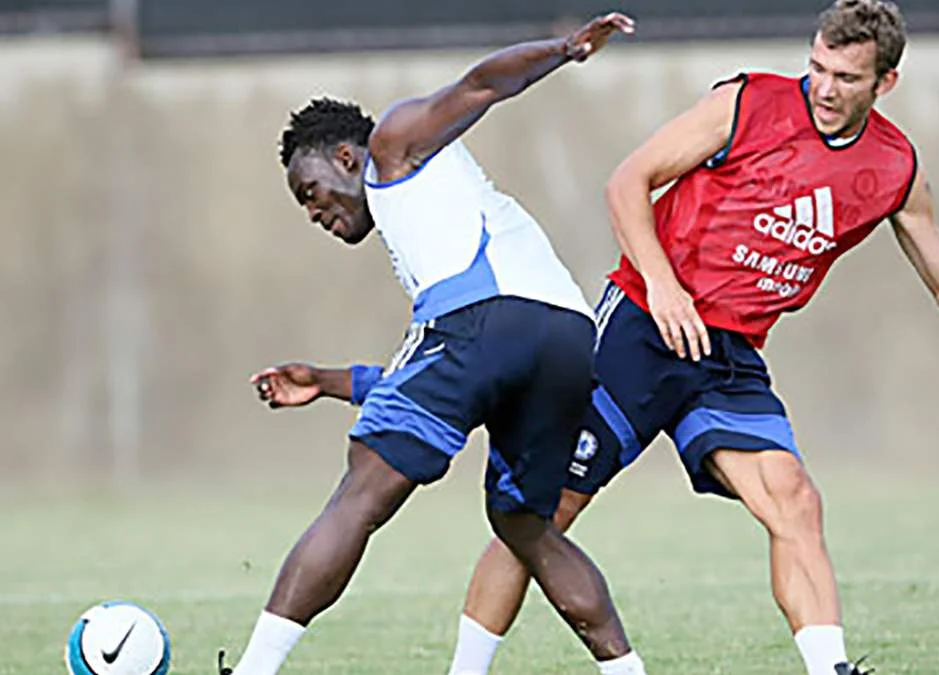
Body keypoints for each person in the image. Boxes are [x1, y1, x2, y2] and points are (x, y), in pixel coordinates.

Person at [440, 1, 939, 674]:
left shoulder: (894, 168)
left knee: (795, 500)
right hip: (642, 328)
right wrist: (665, 286)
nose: (824, 88)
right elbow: (628, 183)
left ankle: (831, 669)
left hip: (728, 357)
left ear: (886, 83)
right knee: (543, 512)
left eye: (846, 77)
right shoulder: (746, 104)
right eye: (817, 67)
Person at [221, 13, 651, 675]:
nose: (314, 212)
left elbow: (480, 85)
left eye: (311, 192)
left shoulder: (392, 145)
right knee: (524, 523)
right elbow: (446, 367)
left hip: (487, 323)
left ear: (346, 158)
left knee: (362, 489)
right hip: (569, 337)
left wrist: (564, 49)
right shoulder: (428, 220)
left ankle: (254, 669)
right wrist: (327, 381)